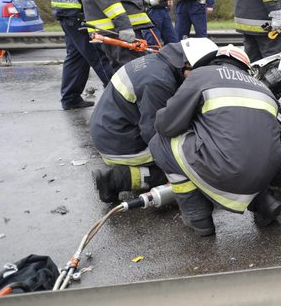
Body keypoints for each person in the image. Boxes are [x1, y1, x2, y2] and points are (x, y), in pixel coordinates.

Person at [149, 45, 281, 236]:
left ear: (215, 62)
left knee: (159, 143)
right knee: (247, 149)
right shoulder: (264, 90)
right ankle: (264, 202)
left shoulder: (202, 75)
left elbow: (167, 126)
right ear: (245, 68)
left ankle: (197, 216)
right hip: (267, 173)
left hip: (226, 171)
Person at [90, 38, 217, 202]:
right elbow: (154, 133)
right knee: (193, 167)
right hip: (122, 144)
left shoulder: (160, 62)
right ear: (186, 64)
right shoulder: (158, 81)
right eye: (199, 73)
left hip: (113, 131)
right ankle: (116, 178)